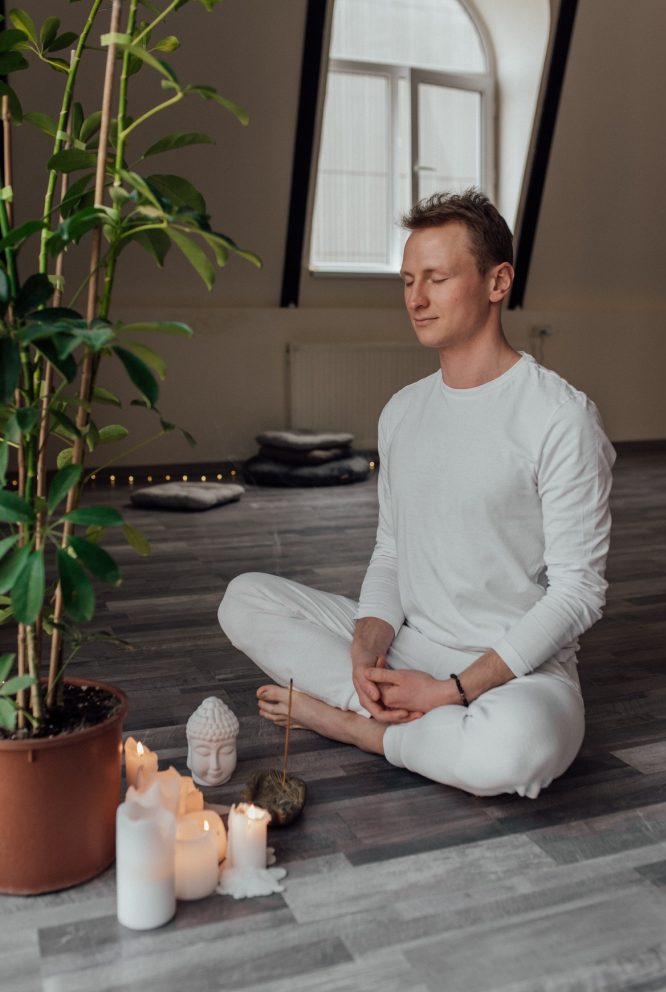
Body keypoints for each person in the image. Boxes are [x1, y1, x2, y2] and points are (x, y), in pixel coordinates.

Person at [218, 189, 616, 799]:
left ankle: (355, 726)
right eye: (407, 280)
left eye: (436, 278)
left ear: (497, 281)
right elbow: (392, 552)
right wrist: (366, 651)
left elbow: (578, 592)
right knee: (242, 599)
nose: (416, 299)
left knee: (516, 751)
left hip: (514, 671)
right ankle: (399, 713)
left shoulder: (559, 417)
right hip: (411, 647)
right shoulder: (402, 411)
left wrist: (453, 690)